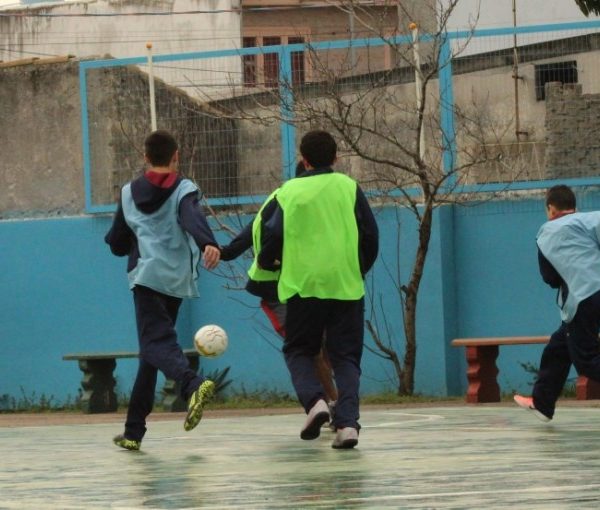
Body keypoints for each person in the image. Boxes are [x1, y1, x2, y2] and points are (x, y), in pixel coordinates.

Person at [257, 130, 379, 449]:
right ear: (336, 158)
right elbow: (370, 234)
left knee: (299, 350)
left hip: (304, 285)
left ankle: (315, 402)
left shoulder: (289, 191)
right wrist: (358, 269)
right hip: (345, 285)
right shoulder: (349, 187)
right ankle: (348, 424)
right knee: (346, 357)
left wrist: (267, 261)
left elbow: (272, 233)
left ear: (304, 160)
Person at [105, 130, 221, 450]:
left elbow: (117, 242)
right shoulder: (184, 189)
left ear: (145, 157)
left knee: (155, 344)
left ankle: (192, 383)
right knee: (151, 352)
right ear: (176, 156)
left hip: (146, 277)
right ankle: (133, 431)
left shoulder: (128, 193)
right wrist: (207, 242)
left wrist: (124, 241)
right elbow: (191, 217)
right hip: (175, 281)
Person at [219, 161, 339, 416]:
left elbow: (244, 238)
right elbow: (261, 234)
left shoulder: (300, 201)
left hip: (304, 284)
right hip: (276, 288)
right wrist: (228, 252)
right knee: (310, 347)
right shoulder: (285, 201)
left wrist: (225, 252)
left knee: (324, 344)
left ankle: (332, 402)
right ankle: (331, 404)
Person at [514, 184, 600, 422]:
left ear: (550, 208)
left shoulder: (546, 233)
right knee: (558, 347)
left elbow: (550, 278)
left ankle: (542, 402)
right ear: (574, 206)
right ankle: (542, 403)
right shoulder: (593, 219)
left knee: (587, 360)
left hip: (583, 298)